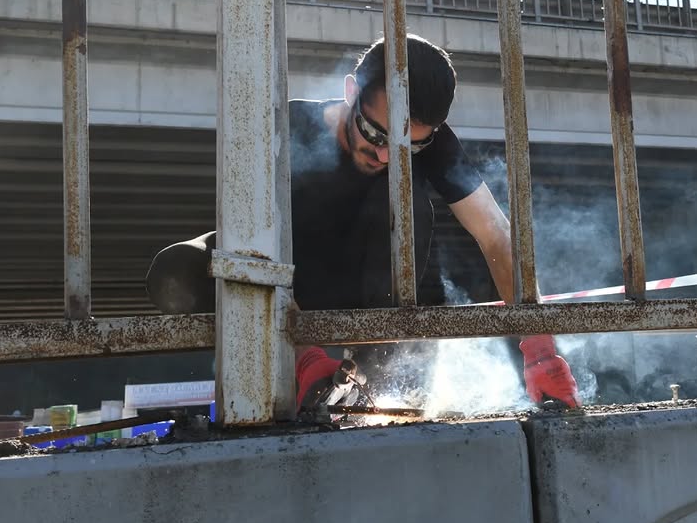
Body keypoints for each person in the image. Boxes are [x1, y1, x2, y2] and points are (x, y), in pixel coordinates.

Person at [146, 33, 579, 410]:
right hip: (274, 272)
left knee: (406, 203)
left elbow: (498, 237)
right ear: (351, 91)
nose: (386, 155)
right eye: (376, 134)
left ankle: (375, 371)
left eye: (409, 145)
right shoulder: (280, 126)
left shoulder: (435, 147)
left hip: (367, 285)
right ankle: (302, 364)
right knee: (179, 268)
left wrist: (540, 350)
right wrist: (305, 356)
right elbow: (243, 243)